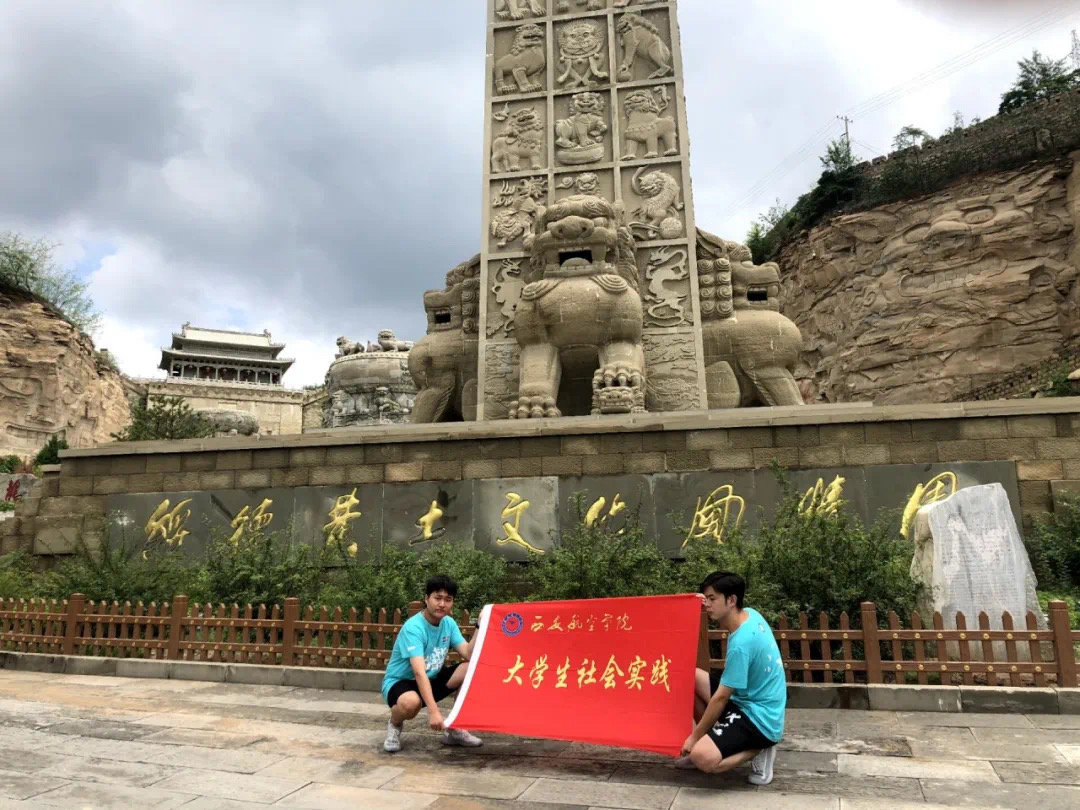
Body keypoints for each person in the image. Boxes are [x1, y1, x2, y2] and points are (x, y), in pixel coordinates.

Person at [677, 571, 786, 785]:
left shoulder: (741, 644)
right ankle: (710, 742)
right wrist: (696, 602)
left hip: (759, 717)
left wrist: (694, 737)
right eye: (706, 598)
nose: (707, 605)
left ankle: (760, 748)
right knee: (688, 677)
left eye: (712, 599)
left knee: (702, 758)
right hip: (748, 698)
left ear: (731, 600)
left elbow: (721, 698)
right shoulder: (749, 614)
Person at [381, 574, 483, 753]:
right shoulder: (414, 627)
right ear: (426, 598)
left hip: (431, 678)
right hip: (401, 682)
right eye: (438, 598)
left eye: (448, 599)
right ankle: (395, 724)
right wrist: (434, 711)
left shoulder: (448, 623)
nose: (442, 604)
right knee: (410, 703)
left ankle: (455, 728)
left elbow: (468, 653)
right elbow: (419, 672)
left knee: (473, 668)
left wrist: (479, 626)